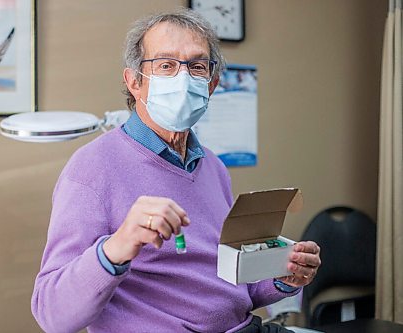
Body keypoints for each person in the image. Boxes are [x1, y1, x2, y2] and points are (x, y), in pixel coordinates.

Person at [31, 9, 321, 333]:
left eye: (197, 66)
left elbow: (231, 288)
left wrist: (283, 278)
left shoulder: (212, 166)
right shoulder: (91, 170)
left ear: (211, 85)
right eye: (166, 65)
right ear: (134, 82)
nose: (183, 79)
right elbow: (52, 314)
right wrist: (118, 245)